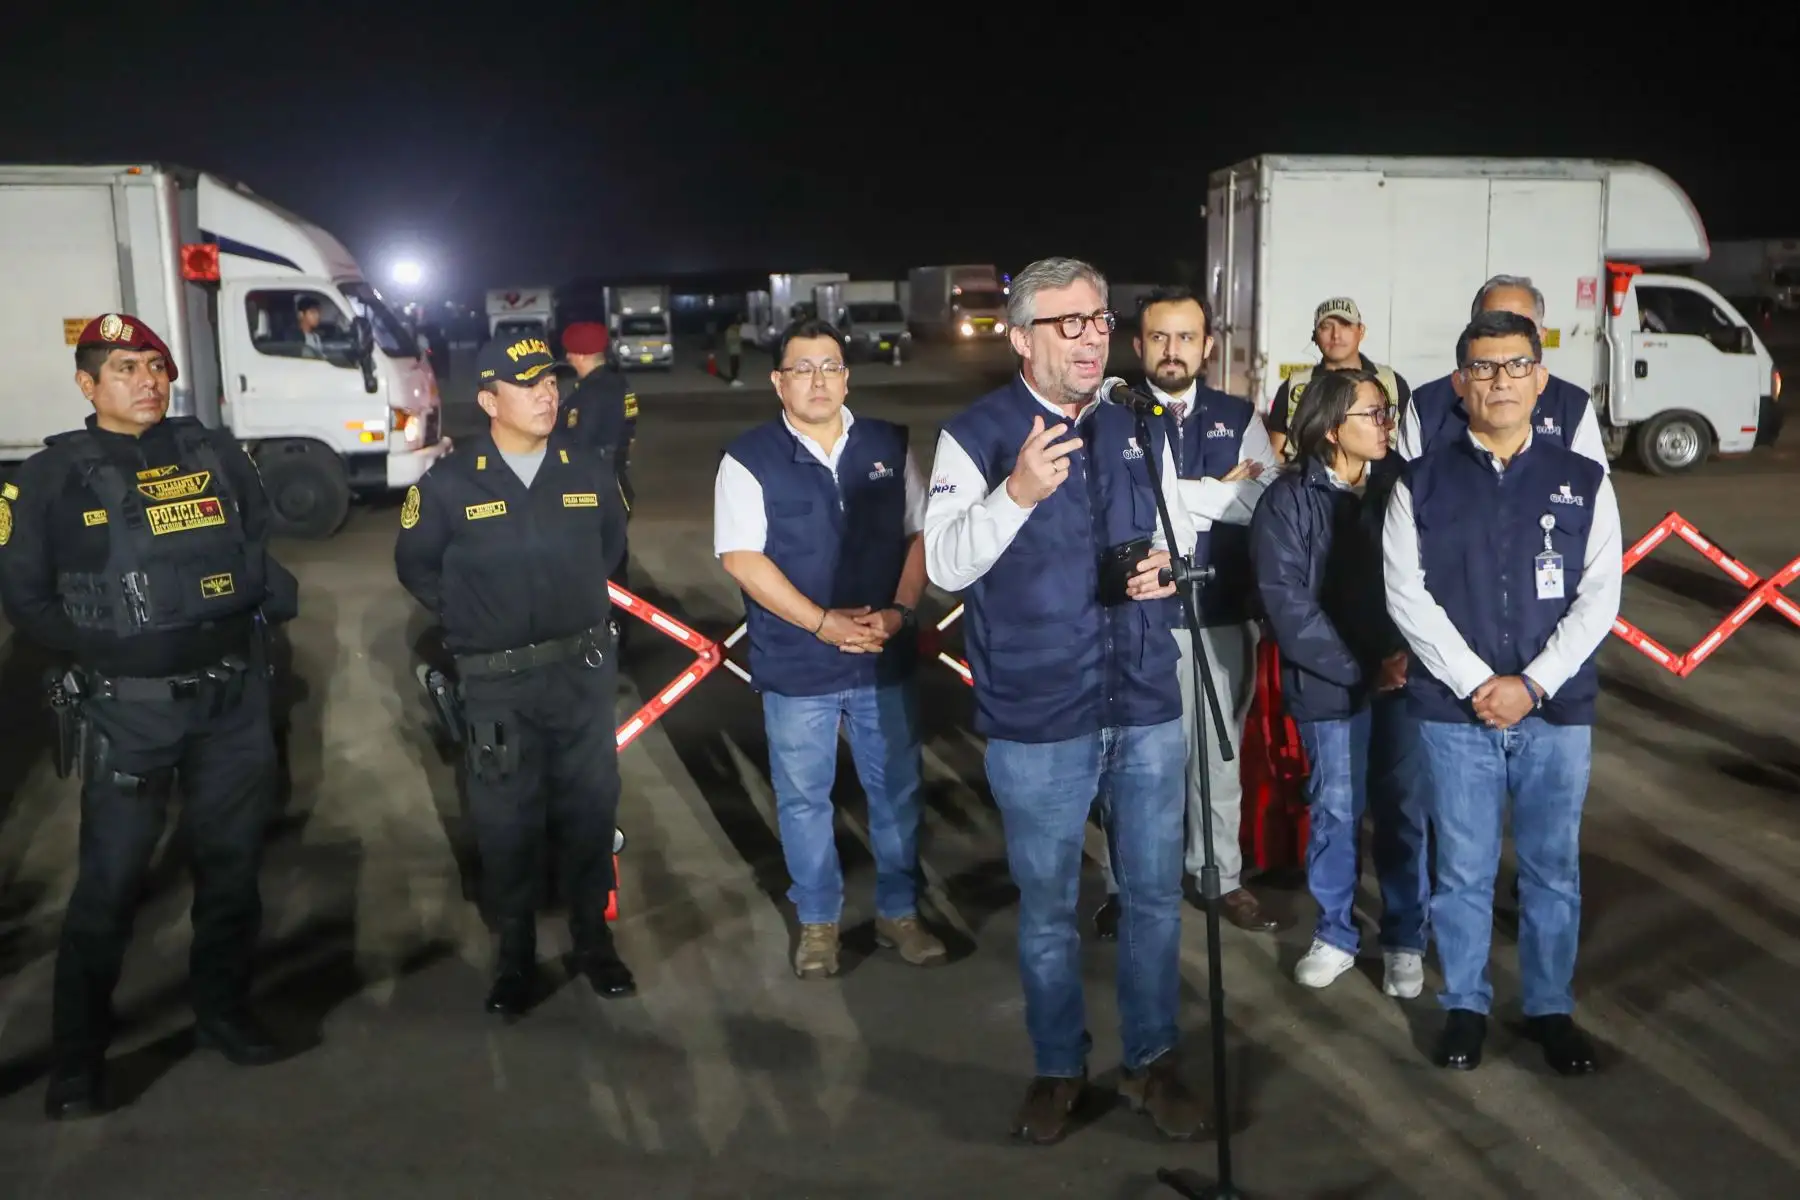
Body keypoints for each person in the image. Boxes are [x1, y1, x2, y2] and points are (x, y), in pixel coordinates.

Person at [924, 257, 1205, 1145]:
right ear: (1020, 339)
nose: (1092, 336)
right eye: (1069, 323)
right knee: (1048, 909)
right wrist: (1016, 493)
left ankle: (1152, 1063)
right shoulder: (977, 436)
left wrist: (1168, 571)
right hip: (1040, 712)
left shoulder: (1135, 423)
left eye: (1099, 320)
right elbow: (943, 566)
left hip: (1146, 700)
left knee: (1155, 898)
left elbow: (1172, 530)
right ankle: (1058, 1070)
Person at [0, 313, 297, 1120]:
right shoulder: (48, 477)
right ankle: (78, 1061)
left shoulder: (214, 452)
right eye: (126, 367)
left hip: (231, 700)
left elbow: (256, 548)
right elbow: (22, 594)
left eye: (157, 366)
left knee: (232, 871)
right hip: (131, 714)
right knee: (109, 887)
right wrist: (104, 652)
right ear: (88, 384)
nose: (148, 381)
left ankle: (224, 1013)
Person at [1383, 310, 1621, 1075]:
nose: (1501, 381)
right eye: (1484, 368)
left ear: (1540, 378)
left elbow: (1601, 595)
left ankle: (1551, 1007)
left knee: (1553, 867)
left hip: (1558, 712)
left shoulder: (1583, 480)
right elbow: (1406, 596)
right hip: (1455, 714)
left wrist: (1535, 683)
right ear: (1460, 384)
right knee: (1462, 869)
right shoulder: (1418, 481)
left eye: (1517, 366)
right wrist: (1480, 683)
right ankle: (1465, 1006)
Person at [395, 330, 635, 1018]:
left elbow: (609, 549)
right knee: (506, 820)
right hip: (497, 681)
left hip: (581, 672)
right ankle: (516, 954)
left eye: (552, 382)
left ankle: (594, 941)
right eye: (529, 384)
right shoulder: (449, 482)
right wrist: (477, 616)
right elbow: (416, 565)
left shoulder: (587, 468)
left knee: (591, 809)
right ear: (488, 400)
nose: (548, 394)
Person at [713, 317, 944, 978]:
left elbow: (920, 535)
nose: (818, 381)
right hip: (798, 663)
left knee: (896, 791)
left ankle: (901, 912)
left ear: (847, 375)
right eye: (803, 369)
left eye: (831, 367)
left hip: (882, 656)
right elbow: (742, 559)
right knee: (805, 799)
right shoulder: (748, 458)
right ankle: (819, 923)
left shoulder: (888, 445)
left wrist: (901, 613)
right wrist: (822, 624)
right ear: (778, 381)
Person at [1091, 287, 1282, 940]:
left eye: (1187, 338)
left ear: (1208, 346)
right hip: (1137, 623)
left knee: (1217, 759)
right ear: (1139, 345)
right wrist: (1218, 488)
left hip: (1221, 614)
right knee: (1137, 766)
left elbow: (1263, 500)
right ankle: (1128, 884)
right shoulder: (1111, 413)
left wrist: (1212, 495)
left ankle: (1218, 875)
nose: (1173, 351)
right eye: (1160, 338)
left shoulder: (1236, 412)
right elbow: (1116, 503)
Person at [1249, 370, 1429, 996]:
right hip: (1332, 684)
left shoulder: (1403, 484)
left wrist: (1408, 657)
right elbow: (1288, 606)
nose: (1386, 424)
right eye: (1373, 414)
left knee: (1404, 811)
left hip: (1406, 677)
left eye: (1387, 413)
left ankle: (1405, 937)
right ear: (1331, 429)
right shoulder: (1287, 501)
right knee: (1335, 809)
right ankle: (1334, 932)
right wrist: (1361, 667)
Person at [1398, 275, 1610, 467]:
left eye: (1522, 329)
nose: (1507, 342)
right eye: (1495, 326)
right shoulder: (1426, 406)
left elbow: (1592, 491)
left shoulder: (1573, 407)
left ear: (1542, 337)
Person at [1266, 298, 1409, 461]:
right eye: (1326, 327)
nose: (1336, 335)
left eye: (1346, 325)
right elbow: (1276, 458)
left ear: (1361, 331)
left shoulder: (1391, 383)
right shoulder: (1294, 387)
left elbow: (1410, 448)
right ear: (1314, 336)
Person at [725, 321, 745, 387]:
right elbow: (730, 341)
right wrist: (739, 339)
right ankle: (733, 380)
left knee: (737, 365)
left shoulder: (737, 330)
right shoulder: (730, 331)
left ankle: (735, 379)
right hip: (732, 351)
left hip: (737, 351)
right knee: (734, 366)